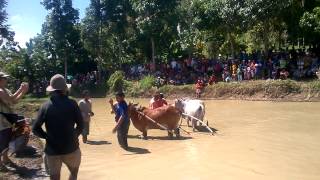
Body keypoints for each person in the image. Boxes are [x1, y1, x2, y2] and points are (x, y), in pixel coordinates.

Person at [32, 74, 83, 180]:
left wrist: (47, 137)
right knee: (73, 173)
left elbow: (35, 128)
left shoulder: (45, 106)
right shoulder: (72, 104)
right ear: (65, 89)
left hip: (52, 149)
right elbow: (81, 125)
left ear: (51, 91)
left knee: (54, 177)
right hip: (71, 147)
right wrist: (74, 135)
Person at [0, 72, 28, 171]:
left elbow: (13, 100)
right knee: (2, 140)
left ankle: (5, 159)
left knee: (7, 138)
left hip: (7, 119)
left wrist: (22, 91)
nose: (6, 80)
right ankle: (1, 165)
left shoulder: (5, 90)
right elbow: (10, 102)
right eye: (5, 78)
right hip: (1, 121)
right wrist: (22, 91)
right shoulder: (0, 91)